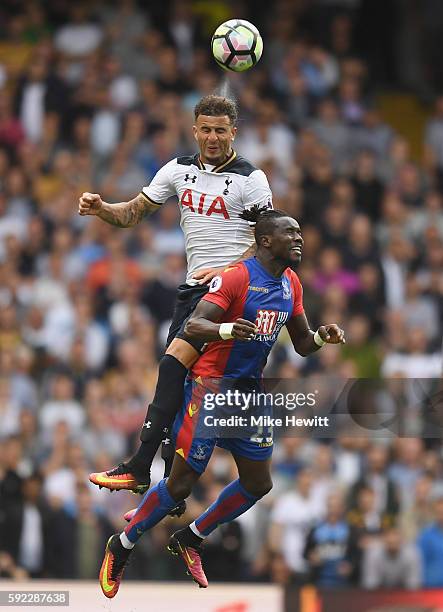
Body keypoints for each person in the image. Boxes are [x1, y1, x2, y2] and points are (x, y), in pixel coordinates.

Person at [97, 206, 345, 598]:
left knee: (258, 482)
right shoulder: (236, 277)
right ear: (265, 241)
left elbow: (300, 343)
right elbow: (193, 324)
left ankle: (192, 537)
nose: (299, 239)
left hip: (249, 393)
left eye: (299, 233)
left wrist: (320, 337)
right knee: (179, 486)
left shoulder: (291, 284)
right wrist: (227, 329)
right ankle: (122, 544)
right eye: (290, 233)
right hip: (210, 389)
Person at [81, 95, 273, 499]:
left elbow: (268, 244)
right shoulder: (177, 170)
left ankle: (142, 468)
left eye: (221, 130)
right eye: (206, 129)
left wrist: (228, 270)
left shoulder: (251, 179)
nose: (213, 137)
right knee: (177, 377)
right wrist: (102, 209)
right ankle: (166, 483)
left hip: (234, 290)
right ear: (194, 130)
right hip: (194, 292)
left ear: (233, 132)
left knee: (174, 367)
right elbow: (134, 212)